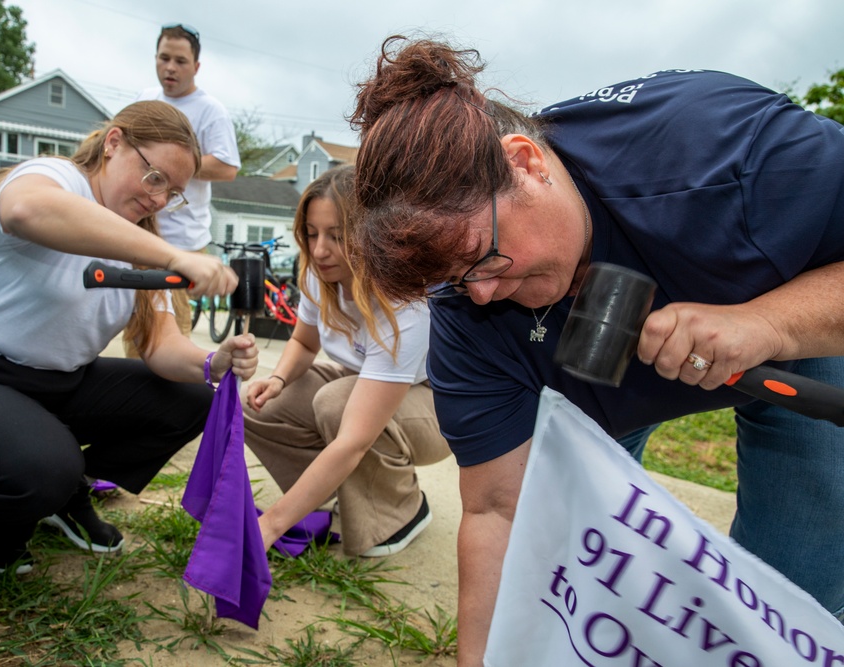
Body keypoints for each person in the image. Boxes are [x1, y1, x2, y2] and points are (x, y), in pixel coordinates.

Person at [348, 36, 844, 665]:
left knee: (798, 583)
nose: (481, 293)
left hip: (795, 324)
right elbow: (499, 512)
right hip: (587, 379)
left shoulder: (723, 151)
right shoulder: (467, 310)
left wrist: (769, 324)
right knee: (573, 573)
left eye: (483, 257)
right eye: (453, 280)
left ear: (525, 162)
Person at [0, 100, 258, 575]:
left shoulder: (141, 241)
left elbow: (162, 348)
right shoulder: (55, 177)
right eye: (155, 177)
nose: (160, 199)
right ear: (114, 143)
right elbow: (25, 209)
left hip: (55, 384)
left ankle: (64, 490)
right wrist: (171, 256)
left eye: (174, 191)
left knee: (191, 398)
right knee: (41, 470)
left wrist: (214, 362)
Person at [242, 166, 450, 558]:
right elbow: (304, 344)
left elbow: (353, 440)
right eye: (312, 233)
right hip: (365, 384)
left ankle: (401, 512)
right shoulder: (318, 276)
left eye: (337, 236)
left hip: (436, 408)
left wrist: (268, 526)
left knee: (337, 406)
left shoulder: (404, 305)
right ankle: (333, 493)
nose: (320, 250)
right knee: (258, 404)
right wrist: (279, 380)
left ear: (373, 236)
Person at [132, 23, 240, 336]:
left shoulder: (210, 111)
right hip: (137, 232)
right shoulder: (145, 99)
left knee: (169, 333)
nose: (170, 68)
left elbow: (227, 167)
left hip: (183, 241)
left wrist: (170, 167)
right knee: (134, 330)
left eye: (180, 61)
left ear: (196, 66)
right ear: (155, 59)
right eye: (164, 58)